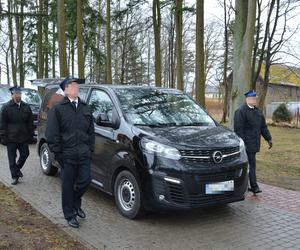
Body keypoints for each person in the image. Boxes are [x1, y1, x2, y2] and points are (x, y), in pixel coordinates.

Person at [45, 76, 95, 228]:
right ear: (65, 90)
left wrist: (90, 149)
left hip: (84, 154)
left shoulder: (85, 108)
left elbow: (91, 131)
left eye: (76, 85)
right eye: (72, 85)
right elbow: (52, 134)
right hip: (67, 155)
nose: (75, 87)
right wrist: (58, 154)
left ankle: (75, 203)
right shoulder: (58, 109)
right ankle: (69, 214)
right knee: (67, 186)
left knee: (85, 181)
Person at [234, 90, 272, 194]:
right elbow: (238, 130)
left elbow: (263, 127)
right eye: (253, 98)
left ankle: (247, 185)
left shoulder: (258, 112)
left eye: (255, 98)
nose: (255, 100)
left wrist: (268, 138)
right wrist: (243, 144)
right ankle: (254, 186)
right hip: (246, 144)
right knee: (250, 164)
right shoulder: (240, 111)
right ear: (247, 99)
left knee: (250, 165)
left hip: (254, 144)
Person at [0, 86, 34, 185]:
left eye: (19, 94)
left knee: (25, 154)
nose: (18, 95)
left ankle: (17, 169)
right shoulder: (6, 108)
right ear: (12, 95)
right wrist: (3, 137)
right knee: (12, 158)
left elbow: (30, 123)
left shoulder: (26, 107)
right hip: (11, 138)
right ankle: (15, 177)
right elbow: (2, 124)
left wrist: (31, 136)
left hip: (23, 137)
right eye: (16, 94)